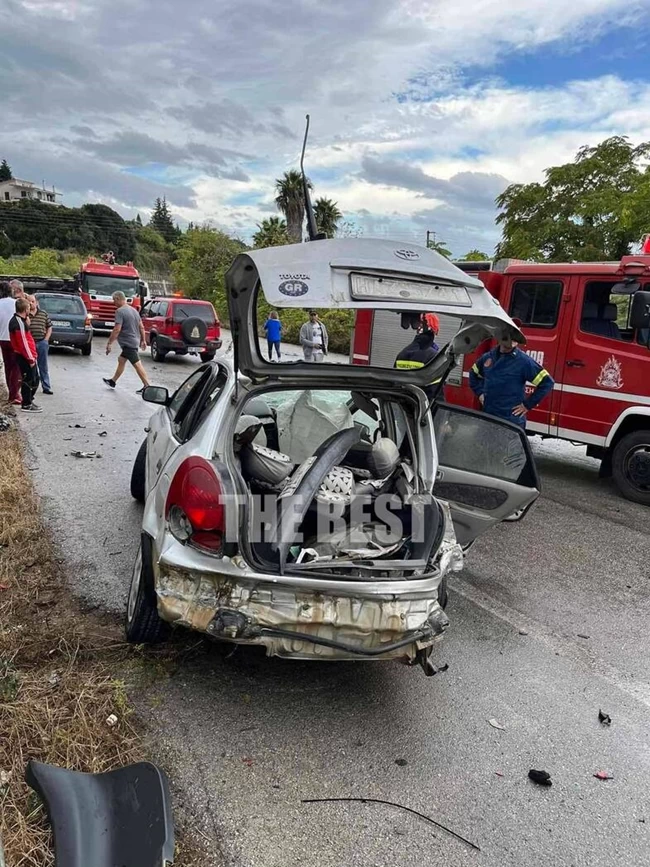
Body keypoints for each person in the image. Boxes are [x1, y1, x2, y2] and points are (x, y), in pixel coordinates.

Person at [469, 331, 554, 428]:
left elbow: (547, 382)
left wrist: (527, 405)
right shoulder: (488, 357)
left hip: (510, 422)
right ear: (500, 338)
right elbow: (473, 374)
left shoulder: (524, 361)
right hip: (488, 418)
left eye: (515, 338)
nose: (512, 341)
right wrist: (480, 393)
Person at [103, 291, 150, 392]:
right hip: (134, 341)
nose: (113, 303)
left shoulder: (120, 311)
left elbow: (117, 329)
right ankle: (113, 381)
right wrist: (143, 340)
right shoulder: (134, 311)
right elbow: (141, 327)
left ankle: (147, 386)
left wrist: (109, 343)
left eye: (114, 300)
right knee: (121, 360)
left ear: (118, 299)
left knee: (137, 364)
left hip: (128, 343)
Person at [394, 313, 441, 400]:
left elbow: (395, 383)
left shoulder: (402, 354)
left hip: (402, 405)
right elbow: (435, 392)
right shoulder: (433, 356)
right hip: (421, 408)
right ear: (433, 331)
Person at [9, 297, 41, 413]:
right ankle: (26, 403)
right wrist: (31, 359)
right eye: (28, 307)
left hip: (28, 355)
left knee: (35, 379)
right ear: (25, 309)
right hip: (24, 356)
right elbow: (23, 343)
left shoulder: (22, 321)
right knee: (28, 380)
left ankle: (29, 400)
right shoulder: (18, 323)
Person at [0, 282, 22, 405]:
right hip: (14, 338)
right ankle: (14, 395)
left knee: (8, 366)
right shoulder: (15, 304)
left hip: (2, 339)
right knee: (16, 368)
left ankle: (11, 393)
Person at [27, 295, 53, 395]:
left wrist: (46, 340)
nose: (31, 303)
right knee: (31, 366)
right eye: (29, 302)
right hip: (30, 343)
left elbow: (49, 327)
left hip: (42, 342)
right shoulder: (26, 314)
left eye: (32, 301)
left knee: (43, 366)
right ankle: (31, 386)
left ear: (36, 302)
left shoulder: (43, 313)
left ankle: (46, 387)